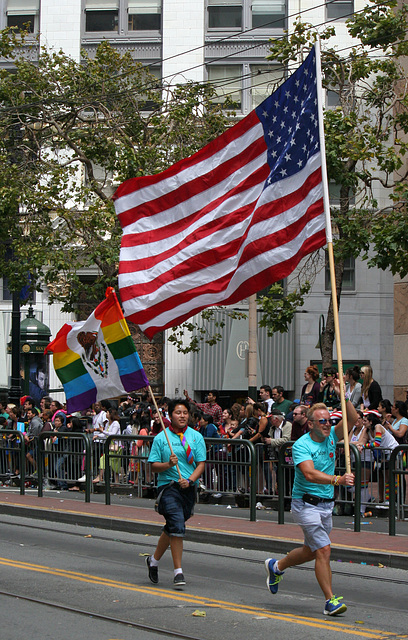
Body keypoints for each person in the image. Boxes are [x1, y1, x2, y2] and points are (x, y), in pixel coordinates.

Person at [264, 397, 357, 617]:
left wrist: (345, 397)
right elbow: (309, 473)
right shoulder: (301, 445)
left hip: (326, 505)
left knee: (310, 551)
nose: (327, 424)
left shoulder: (332, 436)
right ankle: (330, 601)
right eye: (322, 422)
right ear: (311, 424)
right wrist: (337, 480)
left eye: (329, 421)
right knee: (324, 550)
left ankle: (276, 567)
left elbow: (352, 418)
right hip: (306, 504)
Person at [146, 398, 206, 588]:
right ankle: (178, 571)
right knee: (177, 525)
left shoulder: (196, 437)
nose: (182, 416)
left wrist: (190, 480)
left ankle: (153, 561)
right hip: (169, 487)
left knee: (173, 525)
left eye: (185, 413)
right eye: (178, 413)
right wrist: (168, 465)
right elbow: (153, 466)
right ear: (170, 415)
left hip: (188, 487)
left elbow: (200, 464)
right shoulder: (161, 438)